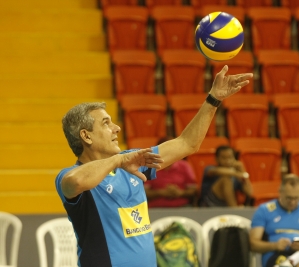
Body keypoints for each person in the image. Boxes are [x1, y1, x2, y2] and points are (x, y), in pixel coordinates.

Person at [55, 65, 253, 267]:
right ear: (86, 136)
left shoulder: (133, 161)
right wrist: (119, 160)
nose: (117, 128)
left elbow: (187, 143)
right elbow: (75, 182)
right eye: (106, 123)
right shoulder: (71, 175)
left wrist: (213, 99)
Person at [144, 136, 198, 208]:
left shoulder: (184, 166)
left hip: (183, 207)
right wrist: (161, 192)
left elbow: (193, 190)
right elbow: (144, 192)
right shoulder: (150, 167)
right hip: (156, 208)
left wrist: (180, 193)